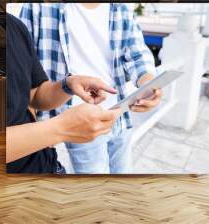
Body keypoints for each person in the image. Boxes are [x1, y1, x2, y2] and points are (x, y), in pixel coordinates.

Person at [19, 3, 162, 174]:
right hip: (81, 117)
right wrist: (39, 129)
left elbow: (137, 54)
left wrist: (148, 84)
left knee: (123, 175)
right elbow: (23, 68)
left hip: (119, 112)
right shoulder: (37, 7)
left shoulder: (121, 8)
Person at [6, 14, 121, 173]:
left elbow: (35, 94)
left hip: (49, 166)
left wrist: (68, 85)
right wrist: (61, 129)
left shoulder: (14, 26)